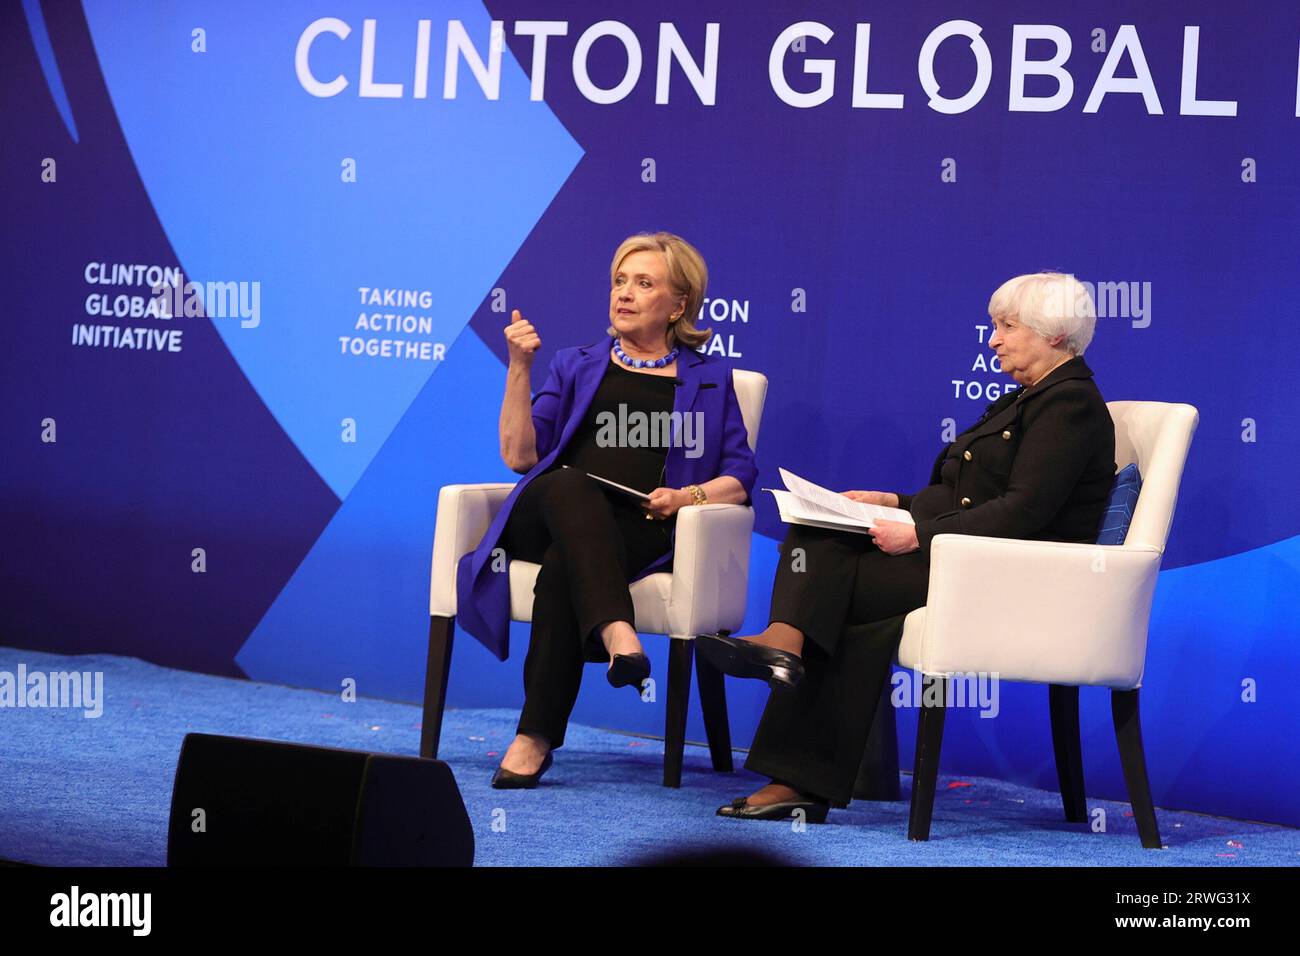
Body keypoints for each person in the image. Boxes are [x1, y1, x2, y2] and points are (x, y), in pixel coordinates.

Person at [698, 272, 1117, 821]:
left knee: (836, 593)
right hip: (963, 555)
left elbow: (1023, 513)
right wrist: (894, 499)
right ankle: (789, 670)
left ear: (1055, 334)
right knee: (818, 531)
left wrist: (919, 531)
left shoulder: (1070, 406)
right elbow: (970, 495)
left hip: (1006, 575)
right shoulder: (1030, 399)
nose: (992, 340)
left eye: (1006, 327)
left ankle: (794, 718)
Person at [454, 232, 758, 789]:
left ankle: (534, 738)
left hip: (642, 527)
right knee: (569, 483)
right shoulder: (575, 364)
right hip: (548, 509)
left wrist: (684, 497)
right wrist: (520, 366)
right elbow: (522, 457)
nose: (625, 294)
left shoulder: (711, 380)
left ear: (679, 304)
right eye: (620, 281)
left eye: (644, 283)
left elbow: (740, 478)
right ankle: (617, 630)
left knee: (568, 568)